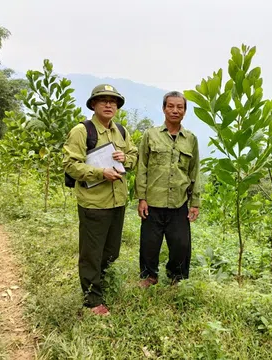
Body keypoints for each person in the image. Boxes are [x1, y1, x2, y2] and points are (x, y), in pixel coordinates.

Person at [63, 84, 138, 316]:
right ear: (93, 105)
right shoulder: (82, 131)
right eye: (103, 100)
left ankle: (100, 283)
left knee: (111, 251)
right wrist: (100, 173)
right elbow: (70, 164)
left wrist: (125, 158)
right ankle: (92, 300)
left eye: (113, 101)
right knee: (91, 253)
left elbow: (134, 157)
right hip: (94, 203)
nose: (109, 104)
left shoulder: (122, 132)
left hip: (117, 201)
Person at [135, 91, 200, 288]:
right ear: (164, 109)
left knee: (181, 245)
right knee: (149, 244)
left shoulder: (190, 139)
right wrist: (141, 198)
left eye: (179, 107)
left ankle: (177, 278)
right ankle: (149, 276)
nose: (175, 110)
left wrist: (195, 202)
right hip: (153, 201)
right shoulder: (150, 135)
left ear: (185, 111)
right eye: (171, 106)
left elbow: (194, 171)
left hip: (179, 202)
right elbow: (142, 167)